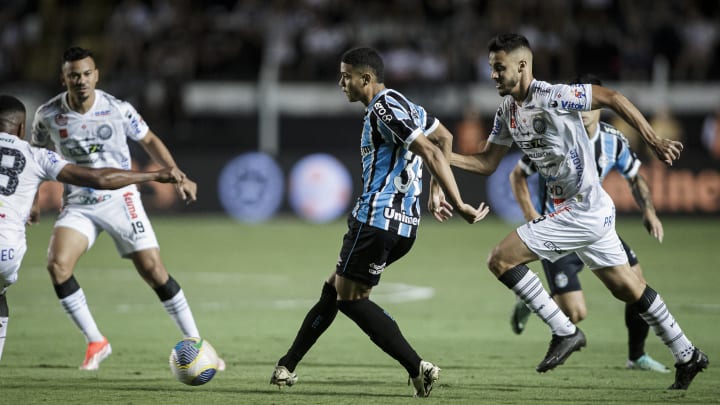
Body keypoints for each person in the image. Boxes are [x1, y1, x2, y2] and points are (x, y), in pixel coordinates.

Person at [436, 33, 707, 390]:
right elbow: (487, 162)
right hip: (589, 211)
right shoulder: (507, 111)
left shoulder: (552, 95)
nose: (493, 75)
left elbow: (611, 97)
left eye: (499, 68)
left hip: (580, 212)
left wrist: (653, 138)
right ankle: (688, 354)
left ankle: (564, 331)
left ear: (522, 66)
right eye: (491, 68)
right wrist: (439, 157)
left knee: (500, 260)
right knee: (630, 289)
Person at [269, 47, 489, 397]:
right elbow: (443, 138)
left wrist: (457, 201)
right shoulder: (409, 106)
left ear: (366, 79)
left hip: (376, 220)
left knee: (350, 300)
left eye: (346, 76)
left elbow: (433, 150)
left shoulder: (384, 108)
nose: (341, 82)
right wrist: (434, 191)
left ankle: (418, 367)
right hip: (404, 225)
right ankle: (287, 365)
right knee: (335, 288)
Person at [31, 46, 223, 371]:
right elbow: (34, 159)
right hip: (79, 204)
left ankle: (199, 343)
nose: (81, 80)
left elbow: (149, 140)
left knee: (154, 271)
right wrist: (33, 202)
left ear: (96, 75)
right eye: (74, 75)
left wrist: (178, 176)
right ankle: (96, 341)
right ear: (63, 78)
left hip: (122, 200)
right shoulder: (48, 116)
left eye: (87, 73)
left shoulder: (117, 109)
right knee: (57, 266)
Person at [0, 94, 184, 363]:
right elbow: (99, 178)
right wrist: (154, 175)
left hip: (110, 207)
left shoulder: (108, 110)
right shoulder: (36, 155)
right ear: (21, 128)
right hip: (8, 254)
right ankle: (96, 341)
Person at [508, 73, 669, 373]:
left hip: (594, 226)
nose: (582, 111)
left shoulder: (613, 141)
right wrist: (533, 218)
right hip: (560, 229)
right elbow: (517, 174)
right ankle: (532, 300)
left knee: (637, 283)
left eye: (588, 104)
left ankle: (637, 356)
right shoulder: (555, 132)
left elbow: (635, 177)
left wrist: (649, 210)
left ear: (598, 104)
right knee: (575, 313)